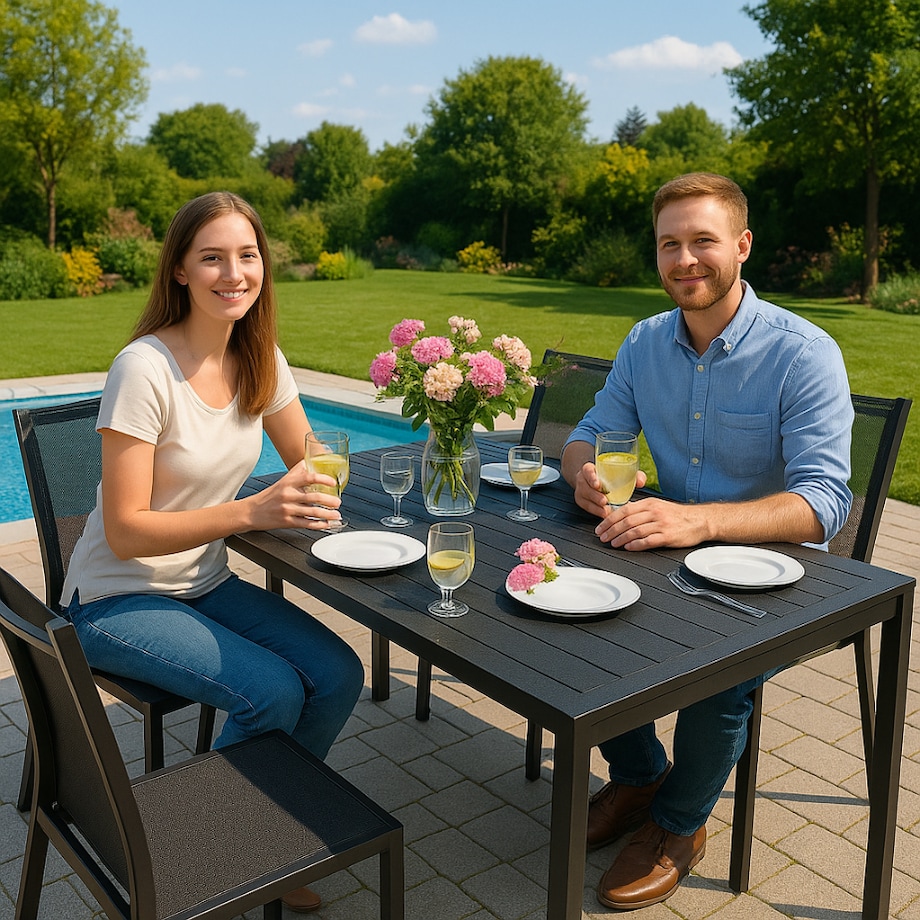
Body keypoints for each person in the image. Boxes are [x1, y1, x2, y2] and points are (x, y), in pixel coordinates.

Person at [60, 191, 365, 914]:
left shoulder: (260, 358)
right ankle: (195, 861)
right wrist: (253, 511)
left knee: (338, 674)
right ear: (180, 271)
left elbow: (310, 456)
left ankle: (263, 832)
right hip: (114, 597)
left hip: (202, 583)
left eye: (247, 255)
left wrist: (321, 478)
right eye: (212, 258)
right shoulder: (144, 368)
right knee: (273, 691)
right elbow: (127, 530)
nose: (234, 273)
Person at [561, 173, 853, 910]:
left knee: (719, 672)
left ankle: (678, 825)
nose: (685, 259)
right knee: (579, 608)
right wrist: (584, 474)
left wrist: (702, 521)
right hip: (673, 550)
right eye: (670, 244)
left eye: (703, 241)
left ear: (743, 245)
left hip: (782, 573)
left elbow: (825, 504)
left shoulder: (804, 353)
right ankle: (638, 777)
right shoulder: (644, 342)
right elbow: (589, 433)